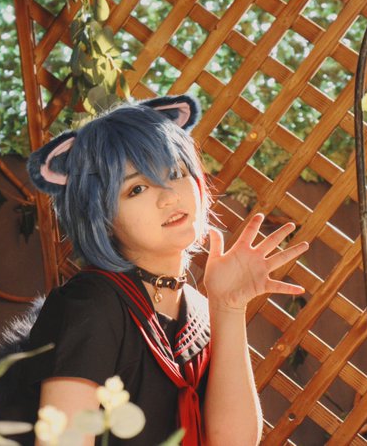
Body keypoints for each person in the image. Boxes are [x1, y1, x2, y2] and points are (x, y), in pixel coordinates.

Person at [20, 94, 309, 445]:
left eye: (175, 173)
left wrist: (228, 307)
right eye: (137, 188)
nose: (169, 196)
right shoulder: (90, 306)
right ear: (101, 217)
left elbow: (234, 442)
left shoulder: (197, 306)